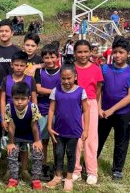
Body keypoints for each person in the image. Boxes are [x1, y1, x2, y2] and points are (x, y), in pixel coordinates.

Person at [98, 36, 130, 181]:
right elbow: (99, 91)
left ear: (128, 54)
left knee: (121, 141)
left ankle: (117, 169)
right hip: (103, 113)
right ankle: (89, 164)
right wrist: (98, 107)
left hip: (123, 114)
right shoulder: (105, 69)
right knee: (98, 139)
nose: (117, 55)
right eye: (115, 52)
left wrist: (112, 110)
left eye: (121, 52)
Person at [46, 62, 90, 192]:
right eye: (63, 78)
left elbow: (86, 111)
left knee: (71, 154)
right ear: (60, 78)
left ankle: (69, 178)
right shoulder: (56, 91)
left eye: (69, 78)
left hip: (74, 131)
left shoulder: (81, 92)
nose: (66, 81)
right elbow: (51, 110)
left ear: (75, 77)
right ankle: (58, 176)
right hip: (58, 131)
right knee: (59, 153)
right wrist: (49, 127)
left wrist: (86, 129)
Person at [0, 51, 37, 180]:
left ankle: (25, 169)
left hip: (26, 117)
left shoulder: (30, 79)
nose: (19, 68)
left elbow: (33, 98)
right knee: (11, 143)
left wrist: (34, 116)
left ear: (26, 66)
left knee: (24, 144)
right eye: (16, 65)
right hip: (11, 116)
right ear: (12, 65)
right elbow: (3, 99)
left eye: (22, 65)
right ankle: (10, 169)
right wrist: (3, 117)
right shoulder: (6, 79)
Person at [72, 40, 103, 185]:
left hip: (90, 104)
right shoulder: (71, 68)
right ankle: (76, 170)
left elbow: (97, 90)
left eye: (86, 51)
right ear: (74, 53)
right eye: (79, 52)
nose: (83, 55)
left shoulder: (96, 69)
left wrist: (96, 106)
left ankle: (92, 171)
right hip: (73, 105)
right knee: (76, 139)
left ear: (90, 52)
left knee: (90, 139)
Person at [5, 82, 43, 190]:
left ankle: (36, 179)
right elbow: (11, 127)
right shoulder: (9, 107)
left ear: (29, 98)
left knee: (37, 152)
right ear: (12, 98)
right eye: (16, 98)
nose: (20, 102)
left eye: (23, 98)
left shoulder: (33, 107)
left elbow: (34, 126)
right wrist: (11, 143)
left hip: (32, 134)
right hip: (16, 134)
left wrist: (37, 141)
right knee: (11, 152)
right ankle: (13, 179)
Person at [35, 44, 61, 179]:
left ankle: (58, 166)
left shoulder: (62, 71)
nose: (49, 60)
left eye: (52, 57)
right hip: (43, 110)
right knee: (43, 140)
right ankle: (43, 165)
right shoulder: (39, 72)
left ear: (57, 57)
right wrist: (57, 92)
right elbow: (38, 89)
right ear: (42, 58)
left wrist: (52, 93)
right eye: (46, 57)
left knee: (57, 140)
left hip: (59, 111)